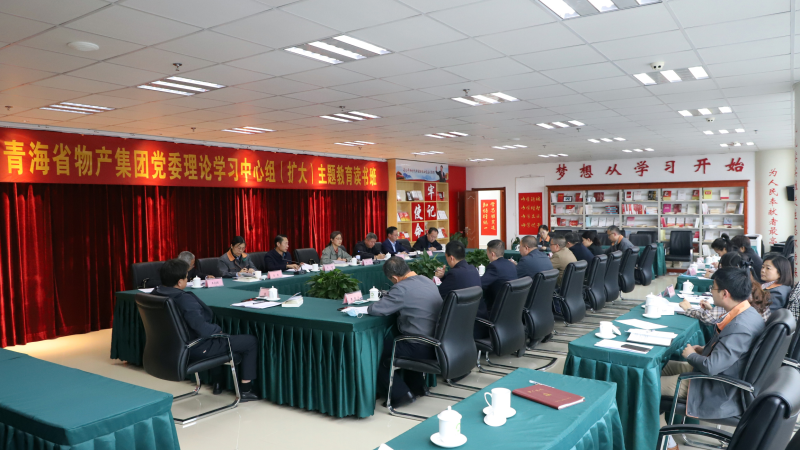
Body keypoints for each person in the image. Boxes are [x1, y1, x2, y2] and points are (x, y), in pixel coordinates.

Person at [660, 267, 765, 450]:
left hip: (715, 386)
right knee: (662, 366)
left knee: (647, 387)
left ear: (725, 293)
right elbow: (729, 353)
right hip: (721, 375)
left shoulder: (740, 326)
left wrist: (691, 355)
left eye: (713, 288)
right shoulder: (748, 313)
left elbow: (711, 367)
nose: (711, 292)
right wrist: (704, 350)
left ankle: (668, 443)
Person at [153, 259, 258, 401]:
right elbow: (202, 329)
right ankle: (245, 390)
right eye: (186, 277)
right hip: (195, 347)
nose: (188, 279)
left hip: (167, 348)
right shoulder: (183, 299)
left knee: (217, 337)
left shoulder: (155, 294)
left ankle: (218, 383)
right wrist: (218, 329)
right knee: (249, 341)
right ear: (179, 282)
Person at [367, 257, 443, 408]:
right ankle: (418, 386)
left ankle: (401, 395)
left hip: (421, 346)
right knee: (407, 338)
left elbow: (375, 309)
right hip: (438, 343)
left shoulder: (401, 288)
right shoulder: (427, 280)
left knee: (377, 352)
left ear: (395, 278)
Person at [679, 253, 771, 322]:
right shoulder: (753, 285)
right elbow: (728, 313)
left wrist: (688, 309)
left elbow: (709, 318)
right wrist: (711, 309)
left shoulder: (734, 288)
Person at [480, 239, 517, 316]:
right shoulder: (511, 264)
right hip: (511, 310)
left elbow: (480, 284)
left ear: (492, 254)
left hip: (495, 311)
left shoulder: (494, 266)